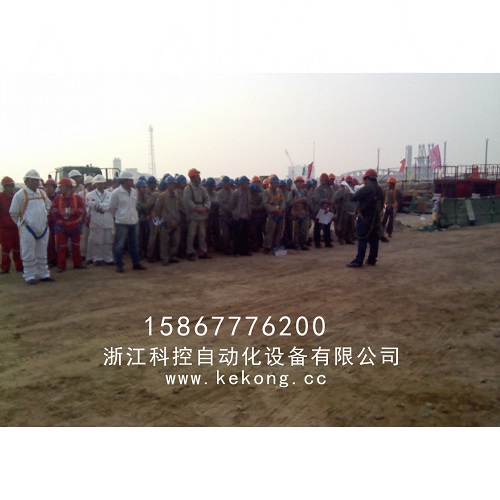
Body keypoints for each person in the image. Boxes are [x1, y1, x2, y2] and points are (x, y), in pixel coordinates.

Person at [9, 169, 54, 284]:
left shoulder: (42, 193)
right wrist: (21, 224)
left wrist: (44, 218)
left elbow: (48, 206)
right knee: (28, 253)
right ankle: (29, 275)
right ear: (26, 181)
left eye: (37, 180)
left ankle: (44, 274)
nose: (35, 182)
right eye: (33, 180)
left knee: (42, 253)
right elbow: (13, 212)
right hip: (28, 229)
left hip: (43, 229)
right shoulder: (20, 195)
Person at [108, 170, 147, 272]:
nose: (132, 181)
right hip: (121, 222)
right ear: (124, 181)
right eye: (130, 180)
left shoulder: (134, 192)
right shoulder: (116, 193)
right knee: (119, 245)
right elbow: (112, 208)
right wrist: (119, 216)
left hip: (134, 221)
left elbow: (134, 206)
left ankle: (136, 263)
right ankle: (119, 265)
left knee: (134, 244)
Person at [346, 169, 384, 268]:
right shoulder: (381, 190)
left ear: (367, 179)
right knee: (374, 240)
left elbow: (354, 197)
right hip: (376, 218)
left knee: (362, 239)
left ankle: (358, 261)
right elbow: (381, 205)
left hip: (365, 218)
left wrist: (348, 192)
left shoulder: (367, 188)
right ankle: (372, 259)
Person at [50, 178, 87, 272]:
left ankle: (78, 263)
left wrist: (73, 212)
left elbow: (83, 209)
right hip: (62, 226)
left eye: (61, 187)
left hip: (74, 225)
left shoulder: (77, 198)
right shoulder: (58, 198)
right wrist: (60, 213)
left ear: (68, 187)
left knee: (76, 246)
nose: (60, 189)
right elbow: (53, 210)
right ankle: (61, 265)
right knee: (61, 246)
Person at [153, 175, 185, 265]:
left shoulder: (177, 196)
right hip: (165, 223)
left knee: (175, 241)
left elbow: (181, 208)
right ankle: (165, 258)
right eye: (170, 184)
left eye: (173, 184)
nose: (172, 186)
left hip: (175, 222)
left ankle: (173, 256)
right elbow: (157, 210)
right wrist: (157, 224)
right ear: (167, 185)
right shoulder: (162, 196)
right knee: (164, 242)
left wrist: (179, 221)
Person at [86, 174, 114, 265]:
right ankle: (97, 258)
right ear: (95, 184)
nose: (100, 185)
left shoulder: (110, 194)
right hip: (96, 221)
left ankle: (108, 258)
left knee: (108, 241)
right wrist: (104, 206)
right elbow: (92, 205)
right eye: (98, 183)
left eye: (102, 183)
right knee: (97, 241)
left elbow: (111, 205)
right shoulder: (90, 195)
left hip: (107, 221)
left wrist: (101, 206)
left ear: (104, 184)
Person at [183, 168, 211, 261]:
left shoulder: (202, 188)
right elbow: (187, 201)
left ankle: (203, 251)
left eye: (198, 176)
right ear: (192, 178)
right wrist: (196, 208)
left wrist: (206, 207)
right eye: (197, 176)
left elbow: (207, 199)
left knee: (202, 234)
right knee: (191, 235)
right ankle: (190, 252)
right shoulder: (188, 189)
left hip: (201, 215)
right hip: (193, 216)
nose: (199, 178)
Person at [0, 176, 23, 274]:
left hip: (16, 226)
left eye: (11, 186)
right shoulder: (1, 197)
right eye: (8, 186)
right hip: (4, 227)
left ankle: (19, 266)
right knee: (6, 248)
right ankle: (5, 267)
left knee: (18, 247)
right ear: (4, 187)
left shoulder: (16, 196)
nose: (10, 188)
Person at [229, 175, 252, 256]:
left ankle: (245, 251)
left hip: (246, 216)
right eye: (246, 183)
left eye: (248, 183)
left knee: (245, 234)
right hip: (238, 217)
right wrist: (234, 213)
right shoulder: (236, 193)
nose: (247, 185)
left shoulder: (248, 193)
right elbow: (231, 205)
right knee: (237, 235)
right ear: (241, 184)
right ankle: (236, 251)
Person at [262, 175, 285, 254]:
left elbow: (283, 201)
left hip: (279, 214)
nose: (276, 185)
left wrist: (281, 208)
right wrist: (275, 209)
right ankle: (267, 246)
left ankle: (276, 245)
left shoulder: (279, 192)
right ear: (271, 183)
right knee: (270, 231)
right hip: (271, 215)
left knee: (278, 231)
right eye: (275, 183)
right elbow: (265, 204)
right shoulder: (266, 192)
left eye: (277, 183)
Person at [312, 173, 335, 248]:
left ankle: (327, 242)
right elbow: (317, 199)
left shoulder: (330, 189)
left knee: (327, 227)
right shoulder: (318, 189)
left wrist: (329, 204)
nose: (323, 181)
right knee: (318, 227)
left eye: (324, 180)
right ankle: (317, 243)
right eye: (322, 180)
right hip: (320, 209)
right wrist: (326, 201)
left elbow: (333, 197)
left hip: (328, 209)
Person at [288, 176, 310, 250]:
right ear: (295, 183)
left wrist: (306, 201)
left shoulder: (305, 193)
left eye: (301, 182)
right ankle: (296, 244)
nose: (300, 184)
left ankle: (303, 244)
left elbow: (309, 203)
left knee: (304, 230)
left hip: (304, 214)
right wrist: (298, 200)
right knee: (295, 230)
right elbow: (289, 203)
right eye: (298, 182)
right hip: (295, 214)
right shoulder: (292, 193)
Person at [380, 176, 402, 242]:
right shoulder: (385, 190)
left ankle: (389, 233)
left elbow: (400, 199)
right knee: (383, 220)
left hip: (393, 207)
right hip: (386, 206)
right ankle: (381, 233)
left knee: (391, 221)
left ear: (393, 184)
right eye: (389, 183)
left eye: (390, 183)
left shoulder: (397, 191)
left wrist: (397, 205)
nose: (389, 184)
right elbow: (382, 198)